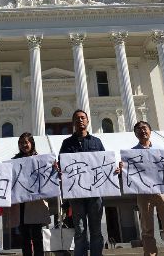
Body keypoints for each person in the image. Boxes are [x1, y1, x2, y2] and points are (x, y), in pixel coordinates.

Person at [59, 109, 106, 256]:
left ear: (87, 121)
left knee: (96, 230)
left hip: (95, 193)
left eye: (83, 118)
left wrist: (114, 170)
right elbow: (61, 165)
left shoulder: (96, 142)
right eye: (77, 118)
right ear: (73, 122)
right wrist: (58, 167)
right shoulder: (67, 143)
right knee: (80, 230)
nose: (80, 120)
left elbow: (105, 163)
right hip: (76, 194)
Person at [131, 121, 164, 256]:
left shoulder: (162, 150)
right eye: (139, 129)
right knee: (147, 230)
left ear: (150, 131)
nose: (142, 131)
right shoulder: (131, 153)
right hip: (143, 193)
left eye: (144, 128)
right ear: (135, 134)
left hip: (163, 191)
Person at [10, 133, 50, 256]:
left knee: (37, 236)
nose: (23, 145)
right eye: (21, 143)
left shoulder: (41, 160)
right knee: (24, 237)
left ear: (31, 143)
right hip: (21, 204)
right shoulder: (15, 160)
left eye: (26, 142)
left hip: (35, 203)